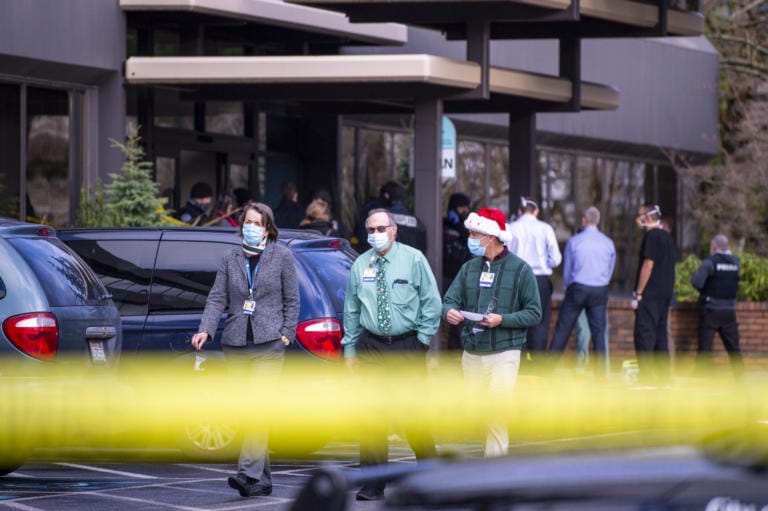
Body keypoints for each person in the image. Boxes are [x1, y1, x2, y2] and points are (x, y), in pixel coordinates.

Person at [190, 201, 299, 498]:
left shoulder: (282, 256)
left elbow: (292, 299)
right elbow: (217, 298)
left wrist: (287, 334)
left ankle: (246, 472)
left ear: (267, 228)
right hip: (236, 343)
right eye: (247, 222)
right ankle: (262, 481)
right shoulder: (230, 258)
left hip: (269, 345)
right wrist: (206, 329)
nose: (251, 227)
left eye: (257, 223)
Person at [342, 208, 441, 501]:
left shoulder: (414, 259)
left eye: (380, 228)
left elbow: (431, 303)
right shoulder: (360, 265)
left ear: (394, 229)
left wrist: (421, 341)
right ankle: (373, 484)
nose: (375, 234)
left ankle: (432, 477)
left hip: (406, 346)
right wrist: (349, 349)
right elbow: (351, 309)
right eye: (370, 230)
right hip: (371, 346)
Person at [442, 207, 541, 457]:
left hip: (505, 352)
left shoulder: (521, 270)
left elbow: (535, 313)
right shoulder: (468, 269)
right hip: (472, 352)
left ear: (492, 236)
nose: (471, 239)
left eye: (475, 234)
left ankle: (494, 469)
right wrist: (449, 312)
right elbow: (449, 300)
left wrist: (502, 320)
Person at [547, 206, 615, 377]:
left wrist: (569, 287)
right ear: (597, 221)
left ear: (584, 220)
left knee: (562, 330)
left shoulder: (574, 241)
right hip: (599, 289)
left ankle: (546, 371)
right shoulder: (608, 243)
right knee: (599, 333)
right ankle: (601, 376)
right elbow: (609, 270)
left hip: (577, 288)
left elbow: (568, 271)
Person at [505, 197, 562, 364]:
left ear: (520, 212)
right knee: (540, 322)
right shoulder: (545, 229)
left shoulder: (511, 228)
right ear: (536, 211)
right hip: (540, 279)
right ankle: (537, 367)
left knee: (516, 320)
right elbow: (556, 260)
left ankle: (517, 364)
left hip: (517, 277)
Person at [631, 204, 676, 385]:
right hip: (665, 294)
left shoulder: (651, 237)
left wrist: (639, 292)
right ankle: (662, 377)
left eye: (642, 215)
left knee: (644, 334)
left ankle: (647, 377)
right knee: (660, 336)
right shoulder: (666, 237)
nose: (639, 218)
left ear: (649, 217)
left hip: (650, 294)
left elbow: (648, 265)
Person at [691, 234, 744, 377]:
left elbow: (696, 282)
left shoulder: (710, 262)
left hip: (711, 310)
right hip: (729, 311)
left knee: (704, 347)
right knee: (734, 347)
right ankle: (740, 377)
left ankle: (700, 377)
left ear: (714, 247)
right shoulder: (735, 262)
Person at [442, 192, 472, 351]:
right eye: (461, 208)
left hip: (462, 279)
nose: (465, 211)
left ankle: (456, 351)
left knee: (459, 319)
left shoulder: (468, 230)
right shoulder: (444, 227)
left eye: (467, 208)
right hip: (445, 277)